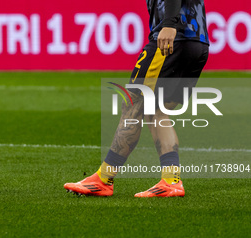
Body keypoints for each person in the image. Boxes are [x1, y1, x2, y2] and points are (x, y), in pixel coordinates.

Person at [64, 0, 209, 197]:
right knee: (156, 112)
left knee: (133, 106)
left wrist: (169, 24)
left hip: (171, 39)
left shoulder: (170, 28)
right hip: (197, 43)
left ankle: (104, 179)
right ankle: (171, 180)